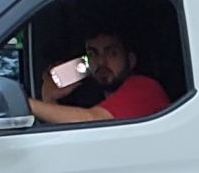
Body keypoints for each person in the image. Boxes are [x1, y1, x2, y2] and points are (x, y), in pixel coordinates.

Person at [29, 30, 169, 125]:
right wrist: (49, 97)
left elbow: (92, 121)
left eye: (112, 53)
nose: (101, 62)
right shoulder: (95, 99)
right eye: (93, 54)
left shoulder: (145, 89)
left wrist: (27, 104)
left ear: (130, 60)